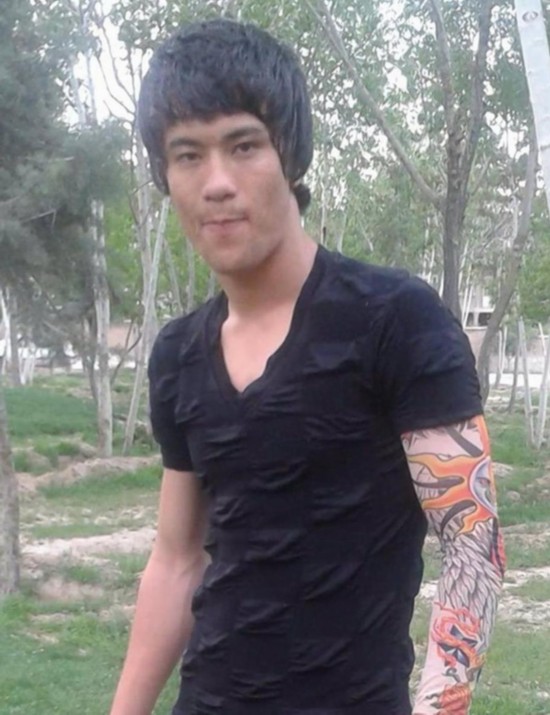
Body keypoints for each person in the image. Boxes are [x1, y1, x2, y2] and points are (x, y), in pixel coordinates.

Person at [109, 18, 505, 715]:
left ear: (290, 155)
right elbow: (175, 560)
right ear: (165, 177)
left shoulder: (395, 319)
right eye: (187, 155)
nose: (217, 183)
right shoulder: (178, 353)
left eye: (243, 145)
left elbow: (471, 546)